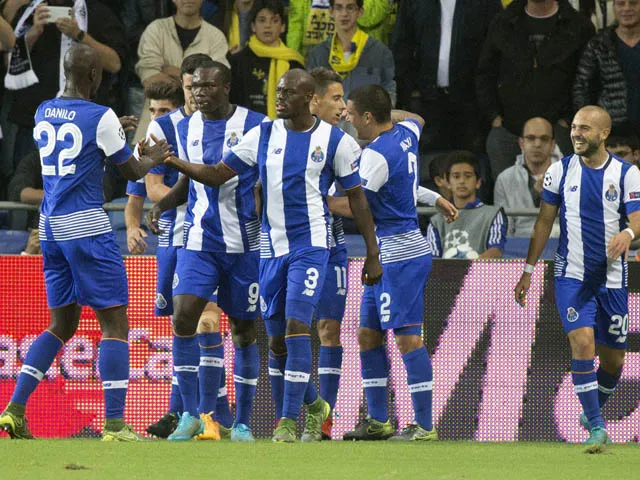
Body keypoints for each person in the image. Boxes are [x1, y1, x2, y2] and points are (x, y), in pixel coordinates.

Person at [153, 68, 383, 442]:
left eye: (288, 93)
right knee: (276, 342)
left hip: (311, 246)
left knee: (296, 328)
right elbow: (217, 174)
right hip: (269, 249)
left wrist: (372, 253)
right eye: (278, 91)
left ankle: (287, 423)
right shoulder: (262, 134)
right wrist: (172, 161)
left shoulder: (336, 141)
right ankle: (315, 405)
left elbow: (357, 198)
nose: (280, 98)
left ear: (309, 99)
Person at [0, 44, 172, 441]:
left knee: (61, 324)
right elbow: (131, 169)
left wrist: (112, 131)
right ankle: (115, 425)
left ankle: (13, 410)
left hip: (50, 228)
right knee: (115, 323)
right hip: (87, 229)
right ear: (94, 76)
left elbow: (77, 142)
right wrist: (155, 157)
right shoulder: (101, 116)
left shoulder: (44, 110)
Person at [146, 60, 266, 442]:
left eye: (208, 86)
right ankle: (190, 415)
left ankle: (242, 422)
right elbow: (190, 180)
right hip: (198, 242)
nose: (199, 92)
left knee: (243, 330)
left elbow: (215, 175)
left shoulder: (255, 125)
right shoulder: (185, 127)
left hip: (243, 244)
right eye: (195, 86)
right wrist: (163, 205)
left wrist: (169, 160)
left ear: (226, 87)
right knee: (183, 319)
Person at [515, 106, 640, 446]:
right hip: (572, 276)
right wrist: (528, 270)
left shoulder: (627, 173)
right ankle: (597, 428)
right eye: (573, 127)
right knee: (583, 342)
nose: (576, 134)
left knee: (614, 360)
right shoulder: (559, 171)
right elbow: (544, 222)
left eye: (584, 128)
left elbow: (638, 218)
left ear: (604, 134)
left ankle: (592, 409)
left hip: (612, 279)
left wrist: (628, 234)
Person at [337, 84, 457, 441]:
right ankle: (378, 420)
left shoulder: (375, 154)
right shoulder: (406, 132)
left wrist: (313, 200)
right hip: (390, 254)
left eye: (352, 114)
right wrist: (434, 197)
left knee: (407, 340)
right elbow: (416, 118)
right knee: (367, 334)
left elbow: (357, 206)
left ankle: (424, 426)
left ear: (368, 117)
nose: (348, 120)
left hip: (397, 256)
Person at [1, 0, 126, 182]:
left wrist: (79, 34)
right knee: (24, 182)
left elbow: (114, 63)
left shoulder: (98, 12)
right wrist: (34, 32)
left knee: (85, 183)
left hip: (84, 122)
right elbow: (9, 63)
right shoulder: (29, 13)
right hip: (33, 120)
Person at [476, 0, 594, 180]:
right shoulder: (502, 22)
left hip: (561, 131)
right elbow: (485, 73)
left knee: (564, 192)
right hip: (509, 131)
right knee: (506, 194)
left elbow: (588, 79)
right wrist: (494, 117)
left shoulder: (579, 26)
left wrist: (568, 120)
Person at [391, 0, 501, 153]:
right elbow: (402, 47)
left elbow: (495, 52)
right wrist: (408, 93)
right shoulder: (414, 3)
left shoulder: (485, 3)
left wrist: (489, 104)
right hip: (426, 99)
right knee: (431, 159)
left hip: (472, 102)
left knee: (470, 158)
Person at [306, 0, 395, 105]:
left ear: (360, 11)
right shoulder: (318, 54)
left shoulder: (380, 52)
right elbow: (310, 95)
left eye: (350, 7)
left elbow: (389, 93)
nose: (344, 13)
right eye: (339, 7)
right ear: (331, 11)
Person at [229, 0, 305, 118]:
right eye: (262, 20)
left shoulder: (294, 63)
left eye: (274, 21)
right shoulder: (238, 62)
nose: (268, 26)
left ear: (283, 27)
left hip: (285, 126)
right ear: (253, 26)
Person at [573, 0, 640, 134]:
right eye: (621, 4)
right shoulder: (598, 45)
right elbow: (581, 87)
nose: (627, 8)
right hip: (612, 130)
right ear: (613, 7)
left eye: (633, 3)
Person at [427, 151, 507, 259]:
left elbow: (496, 252)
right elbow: (433, 260)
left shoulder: (493, 214)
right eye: (456, 176)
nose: (462, 181)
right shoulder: (436, 221)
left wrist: (469, 268)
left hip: (480, 270)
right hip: (445, 271)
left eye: (468, 176)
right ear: (448, 183)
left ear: (478, 182)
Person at [494, 117, 561, 238]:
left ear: (552, 145)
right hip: (519, 245)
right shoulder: (505, 179)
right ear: (521, 143)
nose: (537, 144)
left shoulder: (571, 177)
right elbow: (504, 229)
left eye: (544, 139)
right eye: (531, 138)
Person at [286, 0, 389, 58]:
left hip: (360, 63)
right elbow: (296, 27)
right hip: (314, 63)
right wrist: (293, 59)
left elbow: (371, 16)